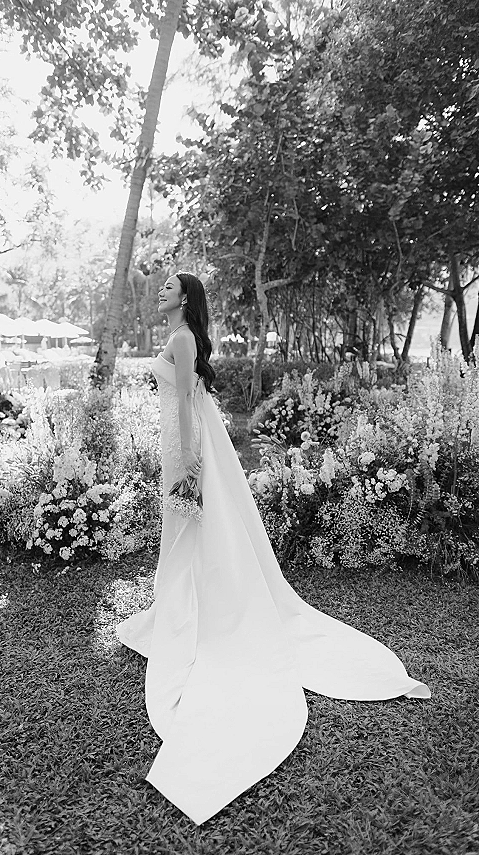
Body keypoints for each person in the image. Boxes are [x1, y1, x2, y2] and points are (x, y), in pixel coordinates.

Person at [117, 271, 430, 826]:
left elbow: (186, 400)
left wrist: (187, 461)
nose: (160, 291)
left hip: (188, 445)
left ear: (185, 298)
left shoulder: (183, 338)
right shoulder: (178, 335)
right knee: (185, 533)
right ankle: (182, 604)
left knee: (193, 528)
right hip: (184, 440)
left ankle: (203, 608)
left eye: (167, 287)